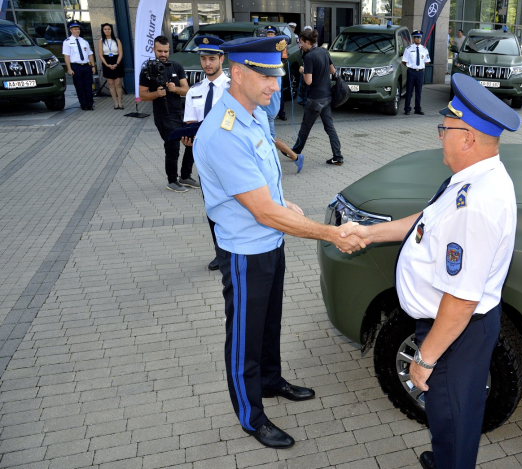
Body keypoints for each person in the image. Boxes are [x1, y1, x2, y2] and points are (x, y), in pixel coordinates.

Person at [192, 36, 367, 449]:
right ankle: (251, 416)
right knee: (244, 337)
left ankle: (270, 381)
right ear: (238, 73)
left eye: (277, 75)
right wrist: (329, 233)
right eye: (266, 76)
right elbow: (263, 212)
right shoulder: (222, 132)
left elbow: (264, 187)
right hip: (245, 250)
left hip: (270, 243)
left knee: (269, 323)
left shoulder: (250, 115)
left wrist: (281, 200)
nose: (276, 86)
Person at [341, 73, 519, 469]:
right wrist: (369, 233)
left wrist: (424, 359)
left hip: (454, 333)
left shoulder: (475, 204)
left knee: (453, 417)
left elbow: (460, 300)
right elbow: (426, 220)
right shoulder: (472, 179)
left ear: (468, 138)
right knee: (449, 416)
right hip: (455, 329)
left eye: (446, 128)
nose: (439, 135)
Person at [181, 35, 230, 271]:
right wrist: (188, 135)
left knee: (236, 205)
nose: (207, 63)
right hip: (206, 162)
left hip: (230, 158)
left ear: (222, 58)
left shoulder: (233, 89)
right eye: (203, 59)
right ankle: (221, 253)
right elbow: (190, 121)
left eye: (212, 58)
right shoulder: (194, 91)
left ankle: (237, 250)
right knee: (212, 207)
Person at [139, 35, 195, 193]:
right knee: (173, 147)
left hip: (180, 113)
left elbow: (187, 90)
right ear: (154, 50)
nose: (163, 54)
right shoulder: (147, 69)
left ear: (169, 49)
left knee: (192, 141)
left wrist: (175, 89)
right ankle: (172, 180)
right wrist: (156, 94)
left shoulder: (176, 66)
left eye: (165, 51)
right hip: (163, 115)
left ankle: (185, 176)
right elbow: (142, 95)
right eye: (159, 51)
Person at [291, 28, 344, 166]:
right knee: (330, 127)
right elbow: (332, 70)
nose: (300, 46)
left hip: (315, 99)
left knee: (305, 128)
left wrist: (303, 70)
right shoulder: (323, 51)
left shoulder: (309, 57)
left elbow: (308, 81)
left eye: (301, 43)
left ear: (308, 42)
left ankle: (295, 152)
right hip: (327, 96)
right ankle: (337, 156)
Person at [261, 26, 304, 173]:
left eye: (271, 34)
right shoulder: (275, 67)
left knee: (270, 139)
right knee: (268, 138)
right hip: (268, 108)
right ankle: (294, 158)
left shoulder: (273, 69)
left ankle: (294, 158)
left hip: (267, 109)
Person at [63, 22, 95, 111]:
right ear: (71, 30)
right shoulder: (67, 42)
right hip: (76, 66)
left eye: (78, 29)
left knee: (88, 86)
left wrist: (93, 66)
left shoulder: (84, 41)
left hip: (85, 65)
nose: (77, 31)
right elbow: (66, 56)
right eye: (75, 29)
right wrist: (69, 69)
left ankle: (90, 104)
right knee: (79, 86)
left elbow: (90, 54)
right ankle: (83, 104)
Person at [403, 30, 430, 115]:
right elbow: (404, 61)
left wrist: (420, 66)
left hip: (420, 73)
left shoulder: (424, 49)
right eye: (417, 37)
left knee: (419, 91)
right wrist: (411, 66)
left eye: (420, 37)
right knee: (409, 91)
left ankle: (417, 108)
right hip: (411, 72)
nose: (418, 39)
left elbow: (427, 61)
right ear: (413, 39)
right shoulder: (408, 49)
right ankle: (407, 109)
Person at [98, 23, 125, 110]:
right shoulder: (101, 41)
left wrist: (116, 63)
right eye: (105, 29)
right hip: (107, 62)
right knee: (111, 84)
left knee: (118, 84)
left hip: (117, 61)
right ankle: (115, 103)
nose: (107, 31)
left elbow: (120, 53)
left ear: (111, 30)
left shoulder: (117, 40)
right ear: (103, 30)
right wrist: (107, 65)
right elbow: (100, 54)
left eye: (109, 29)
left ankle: (120, 103)